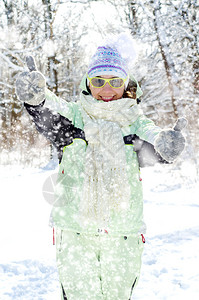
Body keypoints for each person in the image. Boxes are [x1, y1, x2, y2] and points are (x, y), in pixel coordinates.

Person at [15, 35, 186, 300]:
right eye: (98, 81)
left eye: (115, 82)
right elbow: (49, 108)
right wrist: (35, 96)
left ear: (125, 83)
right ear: (88, 83)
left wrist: (168, 144)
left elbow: (155, 145)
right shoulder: (72, 118)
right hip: (75, 232)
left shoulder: (135, 124)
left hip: (122, 234)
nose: (106, 90)